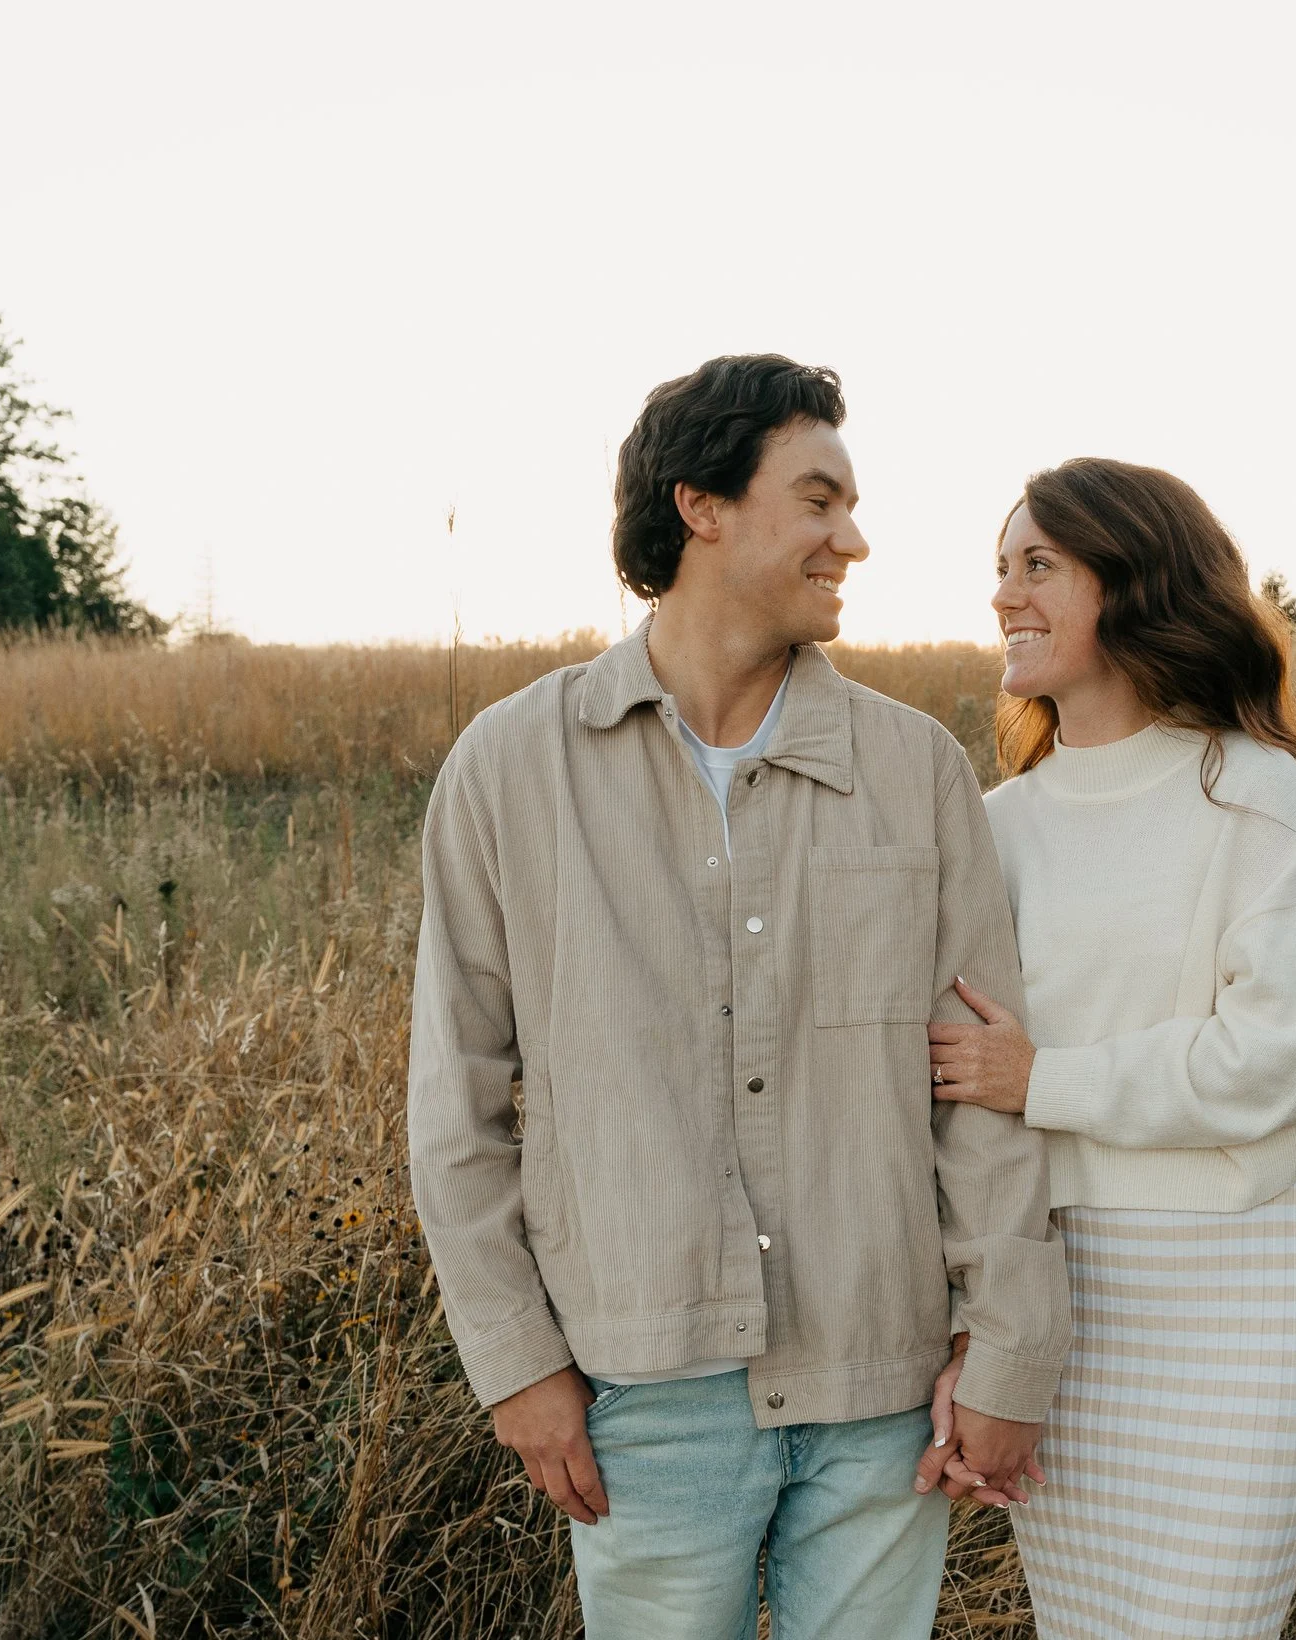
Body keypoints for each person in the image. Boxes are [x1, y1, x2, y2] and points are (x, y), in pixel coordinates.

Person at [407, 355, 1070, 1639]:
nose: (854, 538)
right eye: (818, 499)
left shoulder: (914, 769)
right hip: (641, 1389)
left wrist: (1008, 1347)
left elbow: (983, 1087)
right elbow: (457, 1100)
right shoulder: (508, 767)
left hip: (882, 1383)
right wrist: (518, 1361)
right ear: (700, 502)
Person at [925, 457, 1296, 1639]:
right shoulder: (995, 824)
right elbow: (952, 1096)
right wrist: (976, 1325)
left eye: (1038, 566)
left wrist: (1047, 1079)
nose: (1004, 595)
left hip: (1242, 1296)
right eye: (1000, 568)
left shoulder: (1253, 793)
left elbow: (1280, 1055)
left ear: (1134, 582)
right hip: (1057, 1301)